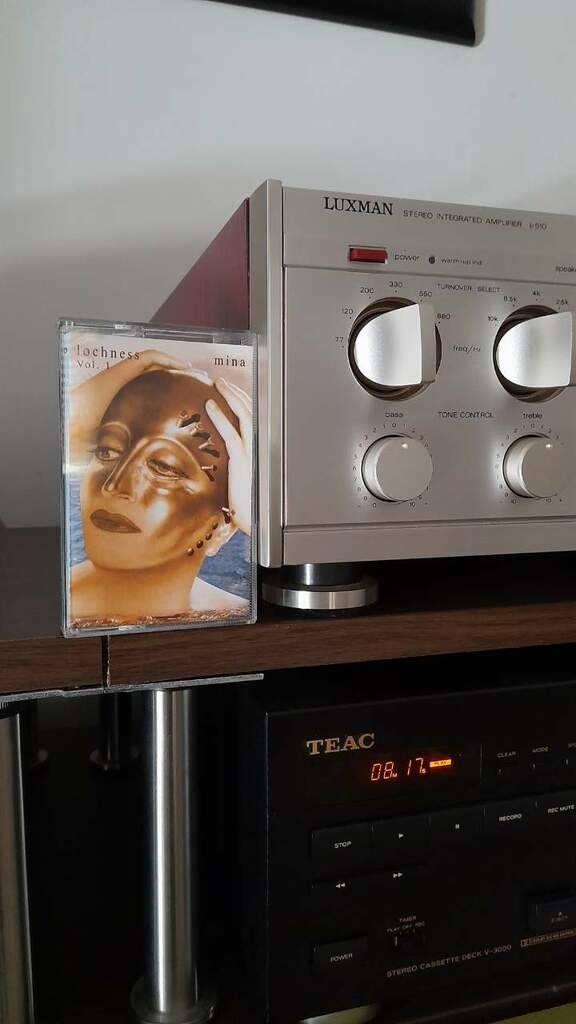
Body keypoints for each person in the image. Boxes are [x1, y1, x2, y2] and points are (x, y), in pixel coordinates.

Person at [67, 349, 252, 627]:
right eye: (106, 451)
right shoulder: (43, 605)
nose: (114, 485)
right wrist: (72, 414)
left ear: (223, 526)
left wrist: (261, 525)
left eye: (164, 467)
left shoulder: (238, 614)